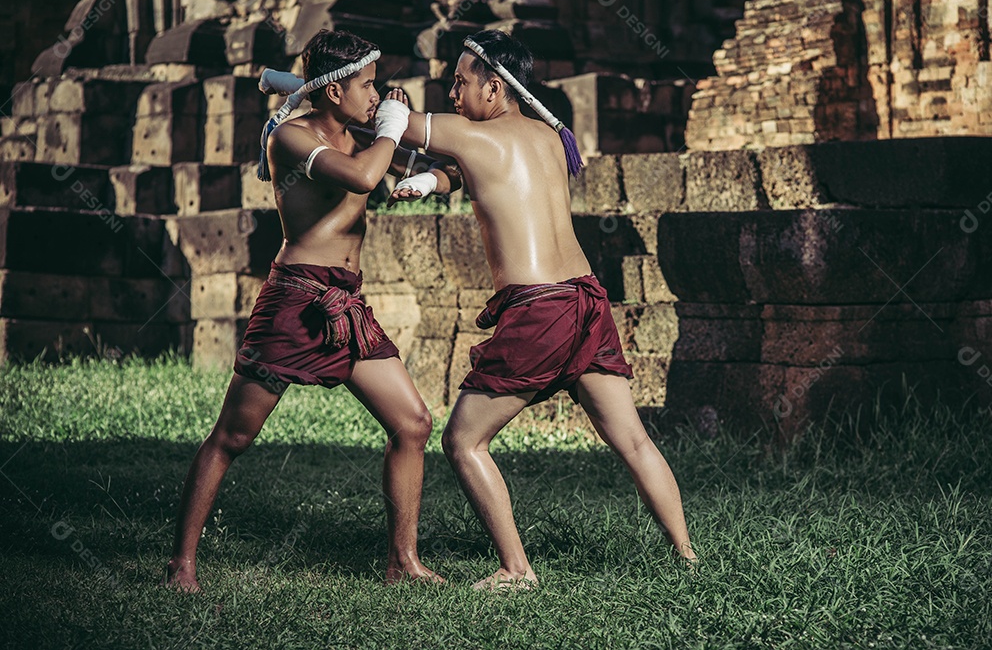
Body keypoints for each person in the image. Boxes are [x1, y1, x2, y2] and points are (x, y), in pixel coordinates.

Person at [387, 30, 697, 591]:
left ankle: (516, 570)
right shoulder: (549, 137)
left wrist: (376, 101)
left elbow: (386, 126)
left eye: (461, 82)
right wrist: (433, 179)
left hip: (539, 308)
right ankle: (688, 558)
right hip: (587, 297)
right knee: (632, 439)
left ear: (494, 85)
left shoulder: (467, 134)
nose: (453, 93)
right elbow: (484, 171)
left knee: (463, 440)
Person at [165, 29, 458, 592]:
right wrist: (393, 130)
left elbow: (450, 170)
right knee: (232, 436)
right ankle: (181, 564)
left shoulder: (359, 135)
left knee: (413, 423)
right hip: (297, 299)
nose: (377, 96)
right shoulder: (293, 140)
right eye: (367, 86)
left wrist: (426, 177)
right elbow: (365, 177)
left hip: (347, 300)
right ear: (331, 92)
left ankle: (403, 562)